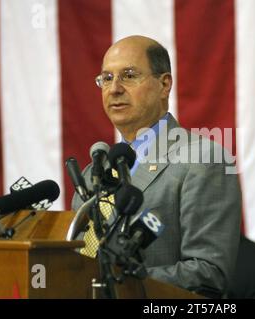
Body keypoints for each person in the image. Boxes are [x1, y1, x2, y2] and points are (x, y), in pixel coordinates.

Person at [71, 35, 242, 298]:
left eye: (128, 75)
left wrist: (112, 283)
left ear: (164, 85)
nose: (114, 88)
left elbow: (208, 273)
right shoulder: (94, 172)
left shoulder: (204, 159)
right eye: (106, 78)